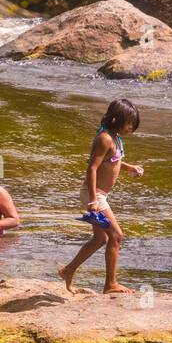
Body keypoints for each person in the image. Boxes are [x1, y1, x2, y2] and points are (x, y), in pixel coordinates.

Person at [59, 99, 144, 294]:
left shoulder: (115, 137)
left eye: (133, 124)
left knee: (100, 239)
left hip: (99, 195)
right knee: (116, 236)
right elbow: (92, 168)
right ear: (115, 119)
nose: (131, 127)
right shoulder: (105, 138)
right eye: (128, 123)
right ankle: (110, 284)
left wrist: (129, 167)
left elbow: (113, 160)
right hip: (95, 194)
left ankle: (68, 270)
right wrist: (92, 200)